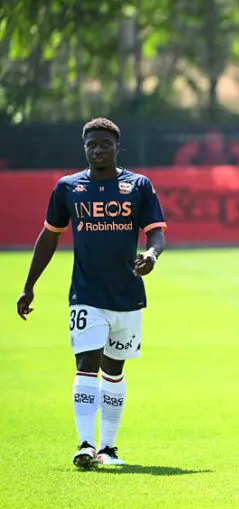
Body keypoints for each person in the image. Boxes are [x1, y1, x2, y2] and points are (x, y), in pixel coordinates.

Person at [16, 117, 167, 469]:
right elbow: (49, 237)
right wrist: (29, 285)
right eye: (91, 145)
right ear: (84, 148)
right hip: (85, 293)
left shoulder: (138, 186)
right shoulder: (68, 188)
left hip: (127, 294)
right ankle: (85, 444)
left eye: (104, 144)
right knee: (86, 364)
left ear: (117, 147)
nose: (97, 150)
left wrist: (151, 255)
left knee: (114, 370)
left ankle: (107, 449)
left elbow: (156, 233)